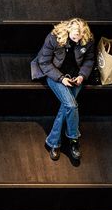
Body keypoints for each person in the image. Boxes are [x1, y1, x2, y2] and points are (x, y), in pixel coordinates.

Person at [35, 17, 94, 162]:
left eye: (79, 37)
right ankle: (74, 140)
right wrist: (61, 78)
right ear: (68, 30)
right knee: (71, 105)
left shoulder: (88, 39)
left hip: (75, 78)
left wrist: (82, 76)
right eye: (74, 36)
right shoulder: (54, 37)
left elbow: (89, 60)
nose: (76, 39)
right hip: (55, 75)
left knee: (66, 107)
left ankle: (53, 142)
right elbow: (44, 62)